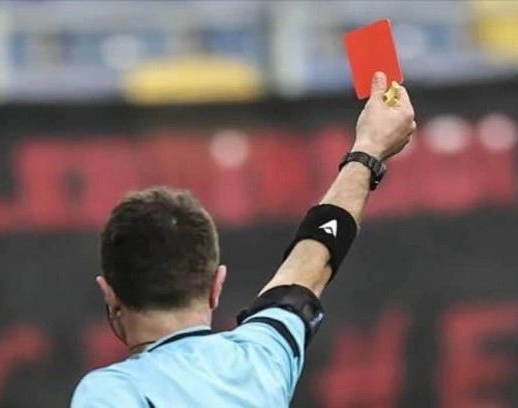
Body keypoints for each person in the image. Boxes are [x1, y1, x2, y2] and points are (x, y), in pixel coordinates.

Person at [70, 72, 416, 407]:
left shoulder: (108, 393)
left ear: (110, 297)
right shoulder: (260, 358)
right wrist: (368, 150)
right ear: (216, 287)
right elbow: (315, 257)